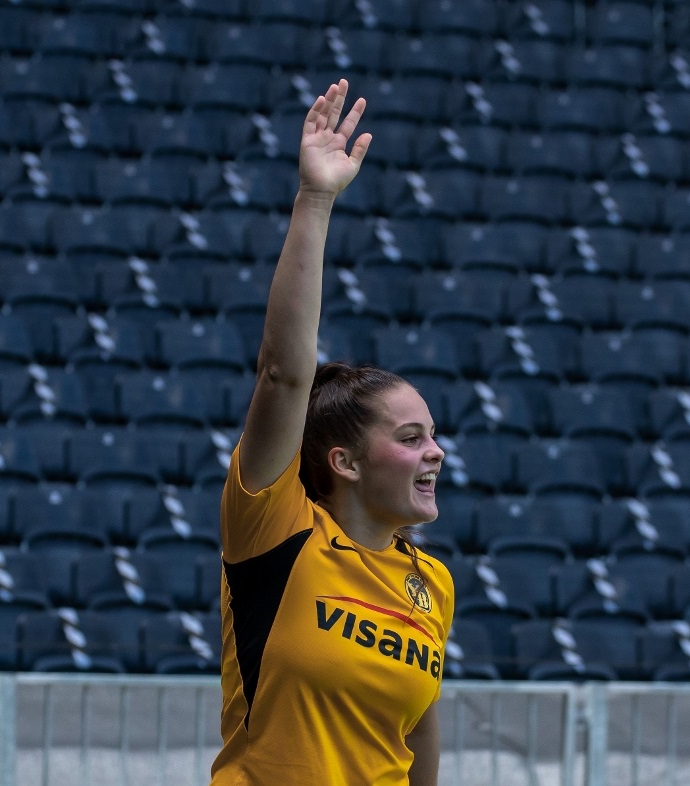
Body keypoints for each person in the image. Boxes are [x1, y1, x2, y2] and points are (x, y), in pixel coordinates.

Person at [210, 79, 454, 786]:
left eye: (432, 435)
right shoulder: (275, 530)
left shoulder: (432, 583)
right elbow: (284, 376)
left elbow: (415, 730)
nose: (435, 452)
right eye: (410, 437)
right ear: (344, 461)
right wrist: (315, 201)